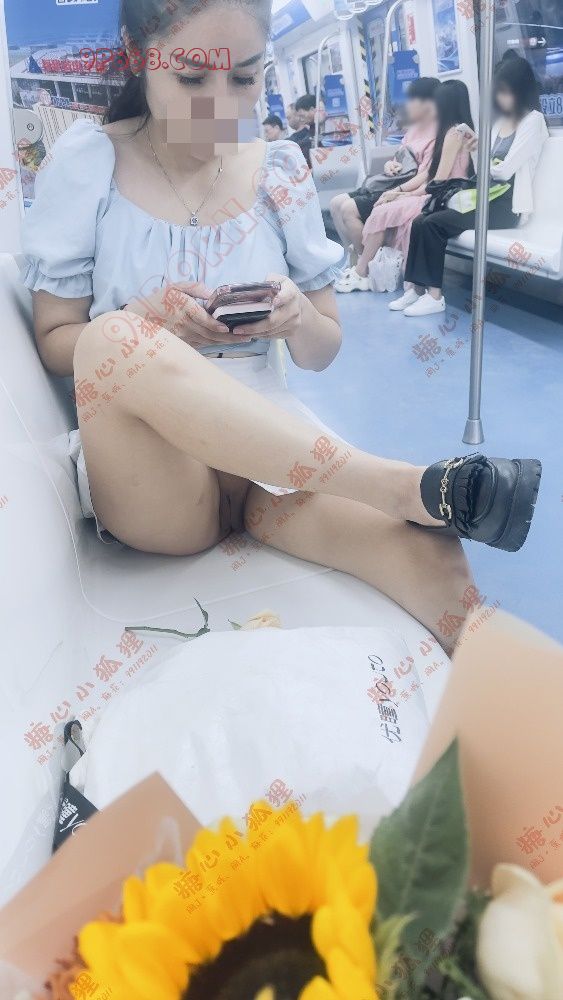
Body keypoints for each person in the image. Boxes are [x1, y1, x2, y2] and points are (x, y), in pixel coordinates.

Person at [21, 0, 542, 654]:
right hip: (156, 470)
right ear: (137, 56)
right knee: (114, 340)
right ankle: (399, 484)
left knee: (428, 556)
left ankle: (506, 691)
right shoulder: (89, 163)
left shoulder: (279, 169)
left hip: (269, 458)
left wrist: (297, 318)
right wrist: (148, 324)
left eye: (243, 77)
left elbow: (322, 350)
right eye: (191, 78)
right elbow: (57, 340)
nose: (219, 105)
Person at [394, 55, 548, 316]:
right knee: (421, 220)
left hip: (507, 206)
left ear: (521, 90)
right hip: (485, 196)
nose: (501, 98)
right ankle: (417, 290)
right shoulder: (499, 123)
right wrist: (476, 147)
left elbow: (504, 170)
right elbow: (486, 167)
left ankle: (434, 296)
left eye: (506, 92)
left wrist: (484, 156)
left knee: (433, 224)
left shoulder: (533, 121)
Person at [349, 79, 474, 297]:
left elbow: (438, 181)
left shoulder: (454, 134)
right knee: (388, 211)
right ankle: (383, 276)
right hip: (439, 193)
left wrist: (403, 194)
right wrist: (399, 193)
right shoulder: (454, 132)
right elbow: (430, 174)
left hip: (442, 196)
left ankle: (364, 272)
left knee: (383, 212)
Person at [331, 76, 439, 290]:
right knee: (335, 203)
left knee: (348, 209)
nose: (408, 105)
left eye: (413, 100)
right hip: (392, 180)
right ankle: (357, 259)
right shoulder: (414, 130)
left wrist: (399, 190)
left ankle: (365, 268)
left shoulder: (438, 135)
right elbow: (399, 158)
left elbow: (426, 174)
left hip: (406, 185)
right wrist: (390, 164)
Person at [288, 93, 326, 166]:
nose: (300, 119)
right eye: (299, 116)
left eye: (302, 116)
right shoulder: (312, 128)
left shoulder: (323, 126)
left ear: (312, 109)